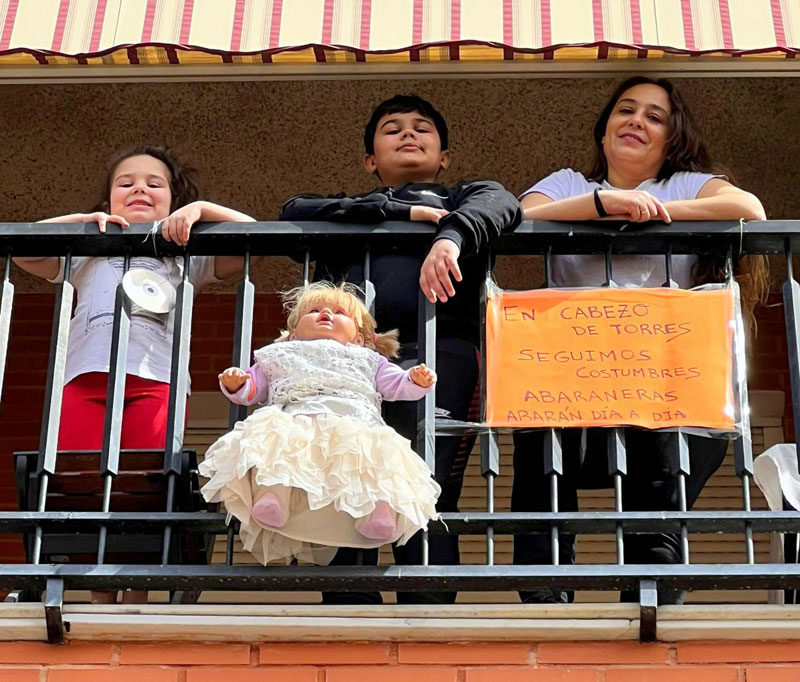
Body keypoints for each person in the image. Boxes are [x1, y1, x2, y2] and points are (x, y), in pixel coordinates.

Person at [511, 76, 768, 605]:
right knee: (537, 447)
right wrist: (605, 205)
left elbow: (749, 210)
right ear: (604, 130)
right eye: (626, 111)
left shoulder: (686, 185)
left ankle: (651, 590)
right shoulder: (568, 182)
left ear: (671, 137)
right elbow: (520, 217)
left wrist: (659, 213)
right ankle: (543, 590)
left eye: (654, 116)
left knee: (660, 472)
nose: (636, 121)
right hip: (573, 375)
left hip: (663, 374)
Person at [280, 94, 523, 603]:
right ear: (371, 160)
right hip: (351, 361)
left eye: (422, 128)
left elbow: (503, 202)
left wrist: (449, 237)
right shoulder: (350, 213)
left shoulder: (463, 199)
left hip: (444, 353)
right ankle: (351, 607)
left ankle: (427, 608)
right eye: (392, 129)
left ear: (444, 157)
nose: (408, 135)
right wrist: (391, 210)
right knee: (345, 471)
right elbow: (293, 210)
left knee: (428, 482)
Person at [14, 144, 255, 602]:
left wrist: (202, 212)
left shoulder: (186, 255)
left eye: (154, 183)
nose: (139, 188)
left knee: (145, 481)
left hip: (156, 380)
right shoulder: (86, 250)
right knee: (82, 480)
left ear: (172, 200)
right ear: (109, 201)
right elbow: (23, 246)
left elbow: (253, 239)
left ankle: (139, 596)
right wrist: (82, 223)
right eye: (125, 183)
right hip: (85, 377)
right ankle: (100, 597)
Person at [199, 282, 441, 565]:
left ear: (361, 337)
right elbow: (254, 387)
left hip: (356, 425)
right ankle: (273, 499)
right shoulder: (280, 355)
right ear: (292, 334)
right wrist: (239, 382)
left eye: (340, 312)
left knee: (379, 460)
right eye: (313, 310)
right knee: (278, 449)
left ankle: (379, 513)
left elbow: (395, 385)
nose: (325, 312)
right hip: (296, 420)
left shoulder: (368, 359)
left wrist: (414, 380)